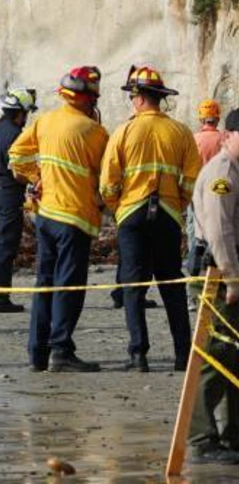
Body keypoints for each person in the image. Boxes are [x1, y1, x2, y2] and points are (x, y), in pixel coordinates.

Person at [100, 65, 201, 372]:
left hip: (131, 214)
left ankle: (138, 354)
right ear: (159, 98)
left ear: (139, 99)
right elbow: (192, 179)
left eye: (133, 97)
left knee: (133, 285)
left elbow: (108, 183)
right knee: (172, 284)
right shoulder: (180, 131)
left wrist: (118, 208)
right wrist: (178, 204)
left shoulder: (124, 131)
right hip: (168, 216)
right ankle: (183, 354)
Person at [9, 66, 109, 372]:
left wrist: (36, 177)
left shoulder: (45, 121)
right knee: (69, 286)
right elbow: (107, 179)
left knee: (45, 283)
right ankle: (61, 350)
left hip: (46, 216)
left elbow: (16, 155)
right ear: (88, 97)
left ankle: (37, 352)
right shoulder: (94, 132)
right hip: (74, 218)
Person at [188, 106, 239, 464]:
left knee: (238, 358)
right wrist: (234, 277)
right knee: (216, 358)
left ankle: (234, 431)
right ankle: (204, 438)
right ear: (227, 136)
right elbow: (219, 232)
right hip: (220, 280)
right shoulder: (221, 174)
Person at [0, 87, 37, 313]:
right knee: (5, 246)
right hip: (8, 198)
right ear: (20, 112)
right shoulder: (15, 135)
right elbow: (18, 170)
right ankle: (2, 299)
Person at [187, 98, 225, 312]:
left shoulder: (193, 140)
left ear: (202, 118)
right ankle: (216, 293)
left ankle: (193, 297)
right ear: (217, 117)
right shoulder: (224, 139)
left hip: (196, 197)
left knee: (195, 243)